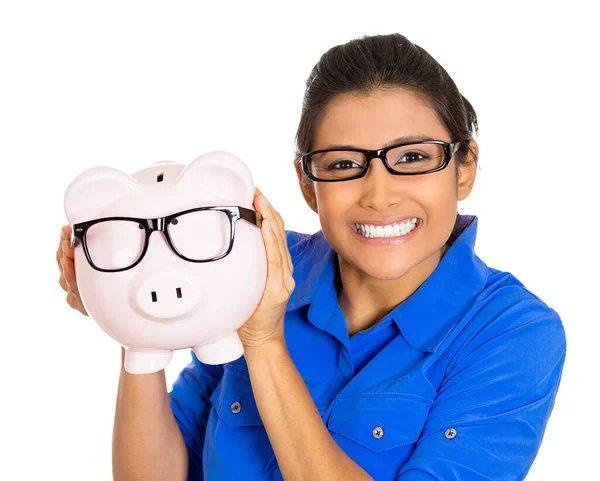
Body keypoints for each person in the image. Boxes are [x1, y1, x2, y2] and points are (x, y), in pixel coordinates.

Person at [56, 33, 566, 481]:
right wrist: (134, 324)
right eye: (343, 164)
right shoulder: (258, 266)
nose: (380, 194)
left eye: (412, 157)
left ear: (464, 168)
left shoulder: (515, 334)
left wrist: (265, 344)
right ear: (307, 184)